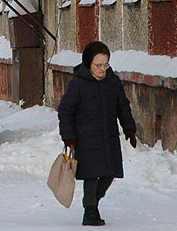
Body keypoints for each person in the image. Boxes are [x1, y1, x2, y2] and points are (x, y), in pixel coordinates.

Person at [57, 41, 138, 227]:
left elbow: (122, 107)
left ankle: (93, 204)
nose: (103, 69)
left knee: (109, 173)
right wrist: (68, 136)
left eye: (106, 64)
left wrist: (129, 129)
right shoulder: (78, 84)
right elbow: (65, 110)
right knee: (92, 175)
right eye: (98, 65)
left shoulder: (113, 82)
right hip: (86, 138)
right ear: (88, 63)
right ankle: (90, 210)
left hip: (108, 137)